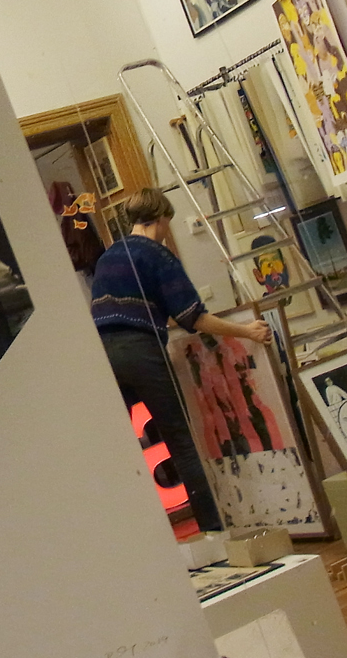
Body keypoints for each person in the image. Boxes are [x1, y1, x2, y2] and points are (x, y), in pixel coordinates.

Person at [91, 187, 272, 533]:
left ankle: (136, 535)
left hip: (104, 355)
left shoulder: (107, 258)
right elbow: (194, 317)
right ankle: (216, 530)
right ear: (160, 219)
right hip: (142, 352)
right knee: (181, 441)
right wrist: (246, 331)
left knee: (119, 449)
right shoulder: (159, 255)